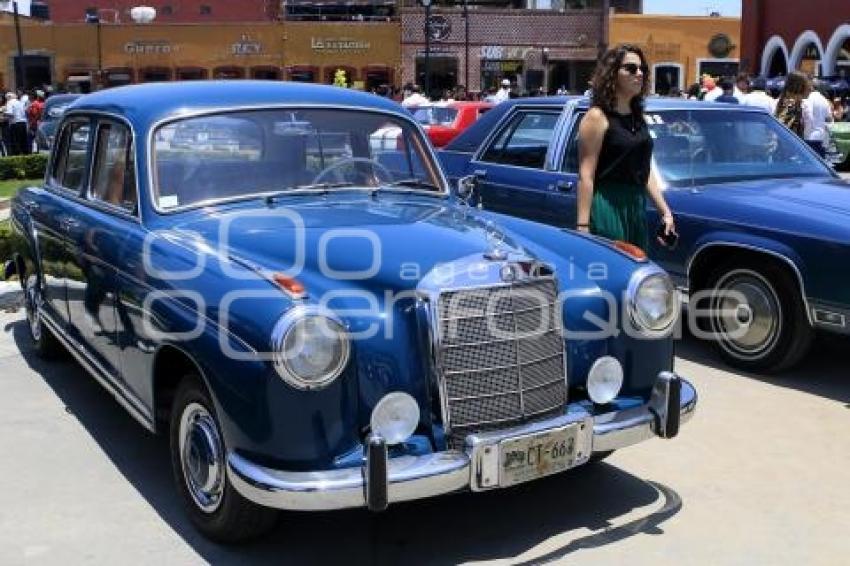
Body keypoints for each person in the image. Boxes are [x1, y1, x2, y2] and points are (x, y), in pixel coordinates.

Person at [577, 44, 676, 250]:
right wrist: (583, 226)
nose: (638, 74)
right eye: (631, 68)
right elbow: (586, 175)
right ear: (613, 74)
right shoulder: (597, 116)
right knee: (611, 270)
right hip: (607, 204)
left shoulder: (638, 118)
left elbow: (644, 170)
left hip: (635, 206)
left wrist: (665, 212)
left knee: (636, 274)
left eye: (642, 69)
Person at [802, 81, 833, 157]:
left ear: (811, 87)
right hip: (822, 137)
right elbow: (829, 118)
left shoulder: (808, 98)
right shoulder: (824, 100)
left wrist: (805, 132)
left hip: (810, 136)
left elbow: (808, 115)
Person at [775, 71, 809, 139]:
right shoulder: (805, 106)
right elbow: (808, 129)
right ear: (803, 88)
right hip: (795, 145)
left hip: (779, 142)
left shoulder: (776, 103)